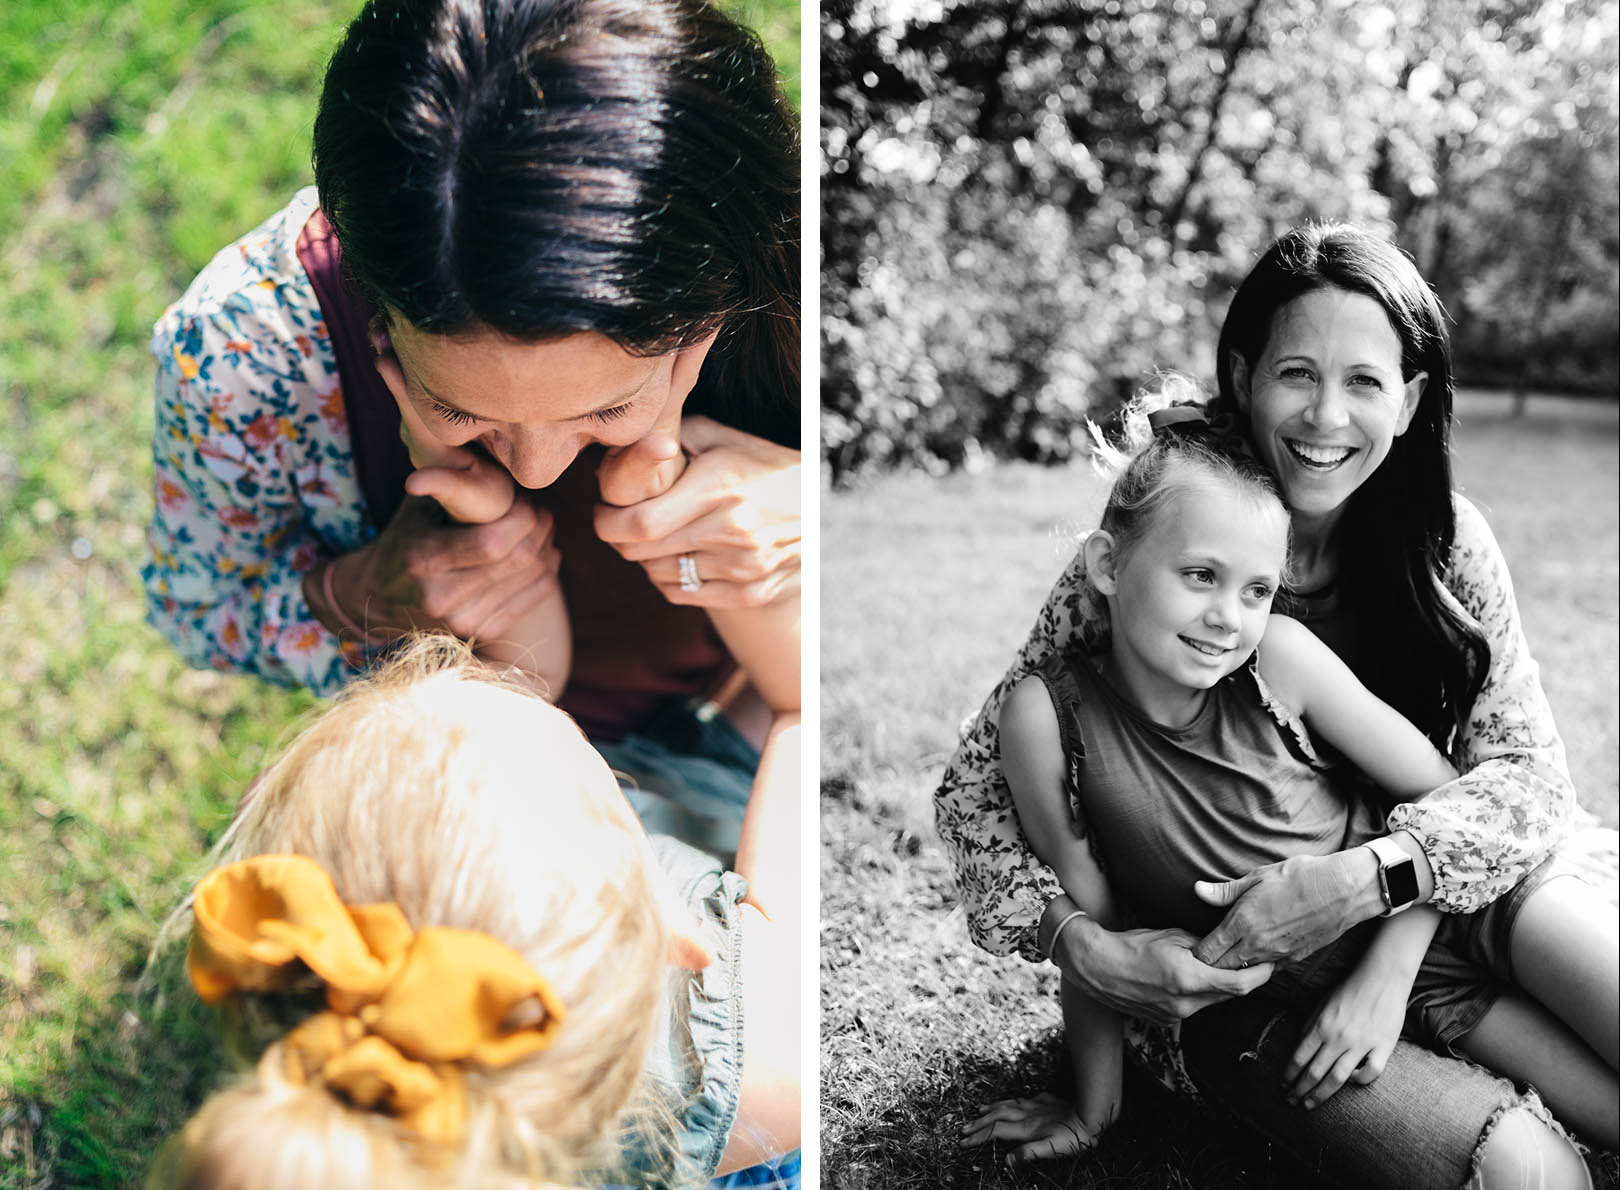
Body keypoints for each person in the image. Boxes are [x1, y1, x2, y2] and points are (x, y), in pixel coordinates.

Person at [935, 223, 1619, 1187]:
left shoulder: (1446, 545)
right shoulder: (1163, 532)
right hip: (1254, 976)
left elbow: (1524, 781)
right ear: (1246, 374)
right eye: (1297, 373)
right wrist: (1081, 948)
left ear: (1412, 398)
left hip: (1452, 905)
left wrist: (1377, 911)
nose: (1327, 416)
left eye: (1367, 382)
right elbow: (976, 793)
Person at [143, 0, 801, 882]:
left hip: (747, 691)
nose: (536, 468)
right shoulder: (239, 359)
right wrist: (352, 597)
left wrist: (809, 517)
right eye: (459, 409)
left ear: (710, 320)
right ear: (376, 314)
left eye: (604, 412)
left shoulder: (796, 271)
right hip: (496, 747)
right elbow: (197, 609)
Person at [148, 635, 799, 1189]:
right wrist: (791, 683)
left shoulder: (312, 1027)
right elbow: (799, 708)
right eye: (606, 786)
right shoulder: (747, 1060)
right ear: (661, 930)